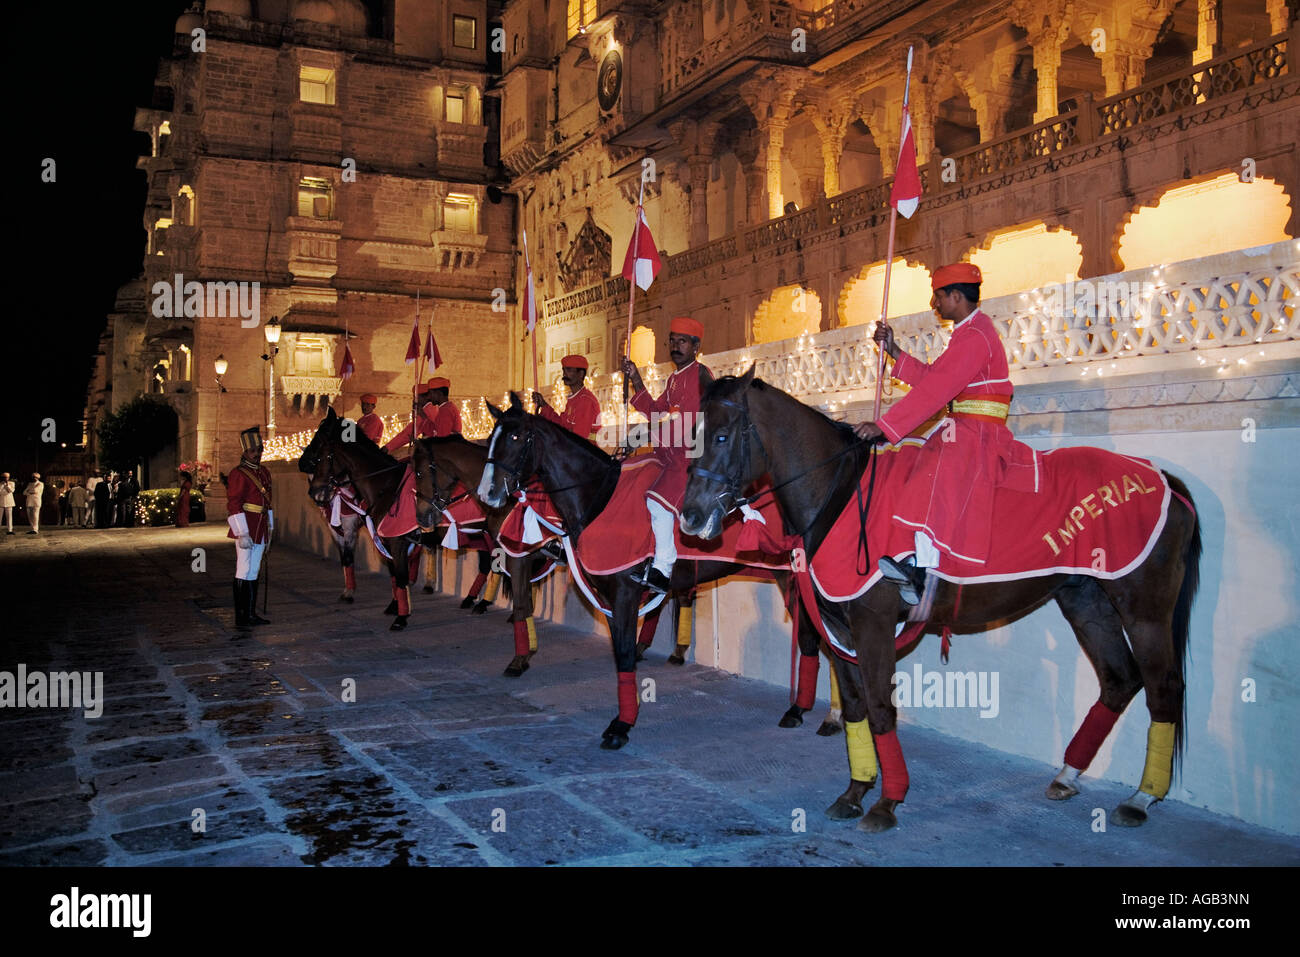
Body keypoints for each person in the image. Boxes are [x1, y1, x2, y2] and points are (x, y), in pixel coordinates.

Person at [854, 262, 1038, 604]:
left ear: (956, 296)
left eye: (938, 297)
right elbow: (936, 379)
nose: (934, 304)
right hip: (964, 428)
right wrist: (894, 351)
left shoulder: (975, 336)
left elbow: (936, 391)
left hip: (978, 434)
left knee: (930, 471)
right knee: (914, 458)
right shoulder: (969, 333)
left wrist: (883, 427)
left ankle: (923, 570)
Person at [620, 316, 714, 594]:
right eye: (672, 340)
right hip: (671, 454)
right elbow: (655, 413)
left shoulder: (700, 375)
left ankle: (663, 567)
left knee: (657, 503)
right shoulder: (675, 378)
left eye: (682, 341)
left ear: (695, 346)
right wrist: (636, 378)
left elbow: (691, 425)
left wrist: (645, 436)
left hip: (691, 457)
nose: (675, 346)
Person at [227, 426, 274, 629]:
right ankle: (241, 616)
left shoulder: (264, 472)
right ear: (245, 452)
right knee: (243, 570)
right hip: (247, 525)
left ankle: (251, 614)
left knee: (253, 571)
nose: (258, 454)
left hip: (261, 525)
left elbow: (268, 501)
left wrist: (271, 526)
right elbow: (234, 503)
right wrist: (242, 532)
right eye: (253, 450)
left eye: (260, 449)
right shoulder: (238, 474)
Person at [532, 354, 602, 440]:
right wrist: (544, 405)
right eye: (564, 370)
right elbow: (561, 425)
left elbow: (578, 438)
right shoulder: (574, 399)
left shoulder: (586, 400)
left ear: (580, 374)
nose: (564, 374)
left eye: (569, 370)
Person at [383, 377, 462, 453]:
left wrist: (420, 443)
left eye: (416, 397)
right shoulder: (439, 409)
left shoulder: (442, 410)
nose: (414, 400)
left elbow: (441, 438)